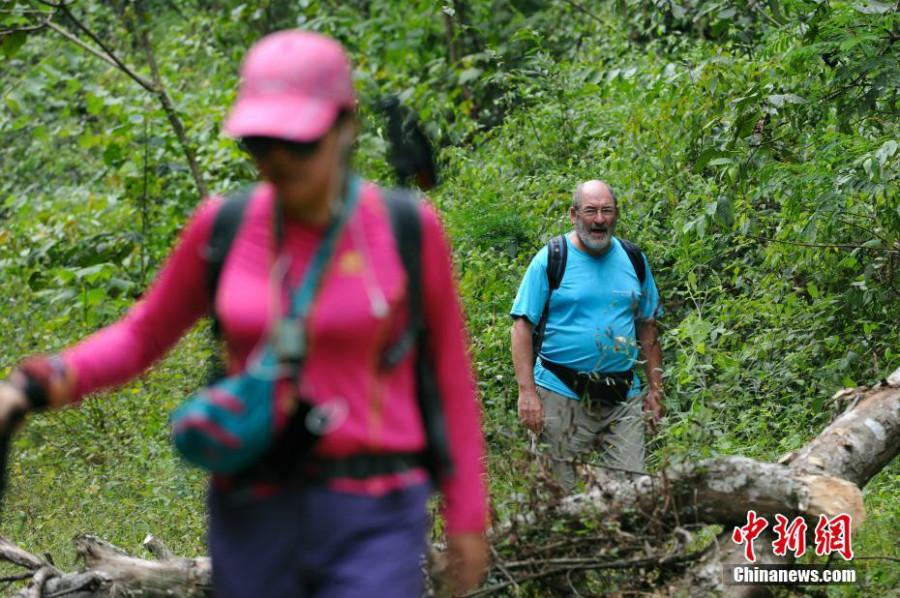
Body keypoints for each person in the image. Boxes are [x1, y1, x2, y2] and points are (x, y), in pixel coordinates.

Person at [0, 30, 488, 598]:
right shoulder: (224, 227)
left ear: (345, 126)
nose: (277, 161)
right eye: (260, 142)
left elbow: (450, 376)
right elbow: (141, 336)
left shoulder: (406, 229)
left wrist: (467, 516)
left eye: (298, 141)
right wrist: (27, 387)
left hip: (375, 514)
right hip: (254, 511)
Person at [509, 180, 663, 491]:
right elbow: (522, 326)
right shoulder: (552, 258)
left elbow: (648, 326)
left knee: (633, 494)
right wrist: (527, 393)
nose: (599, 219)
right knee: (557, 497)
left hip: (622, 394)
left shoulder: (633, 259)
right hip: (559, 391)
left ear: (616, 214)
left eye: (606, 211)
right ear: (574, 214)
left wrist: (655, 389)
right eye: (590, 211)